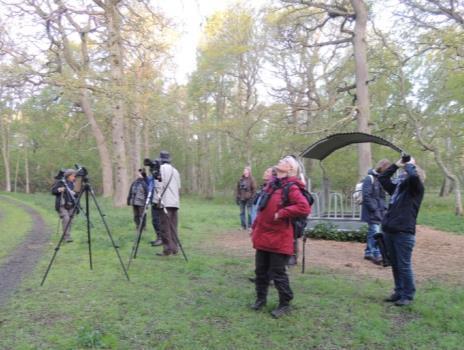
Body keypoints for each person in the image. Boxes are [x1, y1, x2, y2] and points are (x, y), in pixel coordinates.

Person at [250, 156, 311, 318]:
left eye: (285, 161)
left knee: (278, 273)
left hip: (280, 236)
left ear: (291, 169)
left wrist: (282, 213)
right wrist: (255, 226)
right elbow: (262, 209)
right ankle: (260, 299)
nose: (280, 162)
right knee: (260, 271)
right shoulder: (271, 185)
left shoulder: (292, 187)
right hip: (263, 235)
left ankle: (285, 303)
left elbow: (303, 207)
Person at [378, 156, 425, 307]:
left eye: (405, 173)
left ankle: (408, 295)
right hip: (390, 231)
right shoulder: (399, 189)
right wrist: (397, 165)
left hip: (404, 233)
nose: (402, 175)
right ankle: (398, 292)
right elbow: (383, 178)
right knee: (396, 264)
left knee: (404, 265)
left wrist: (410, 165)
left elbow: (412, 177)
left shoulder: (415, 190)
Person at [361, 159, 391, 265]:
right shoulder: (369, 178)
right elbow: (366, 196)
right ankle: (376, 254)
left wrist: (384, 209)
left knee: (372, 232)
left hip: (380, 210)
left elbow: (382, 197)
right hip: (372, 211)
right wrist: (374, 209)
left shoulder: (382, 179)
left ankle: (368, 252)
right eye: (387, 169)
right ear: (382, 167)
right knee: (376, 232)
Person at [152, 151, 181, 256]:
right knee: (173, 226)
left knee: (165, 227)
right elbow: (178, 187)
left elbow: (159, 185)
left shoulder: (161, 169)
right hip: (175, 202)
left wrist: (156, 201)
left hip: (165, 202)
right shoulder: (175, 171)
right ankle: (175, 248)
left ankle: (167, 249)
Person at [51, 169, 77, 243]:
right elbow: (53, 191)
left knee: (71, 220)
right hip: (62, 205)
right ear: (68, 176)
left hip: (72, 205)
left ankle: (67, 236)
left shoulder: (74, 183)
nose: (74, 177)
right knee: (66, 218)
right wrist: (59, 189)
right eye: (73, 176)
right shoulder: (61, 182)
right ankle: (66, 237)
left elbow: (77, 194)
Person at [127, 169, 149, 235]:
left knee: (142, 215)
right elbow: (130, 192)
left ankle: (143, 227)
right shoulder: (134, 183)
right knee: (136, 215)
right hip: (134, 202)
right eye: (138, 173)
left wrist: (147, 203)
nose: (138, 174)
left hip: (142, 202)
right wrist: (128, 200)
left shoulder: (145, 183)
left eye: (140, 173)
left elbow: (147, 193)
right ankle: (137, 226)